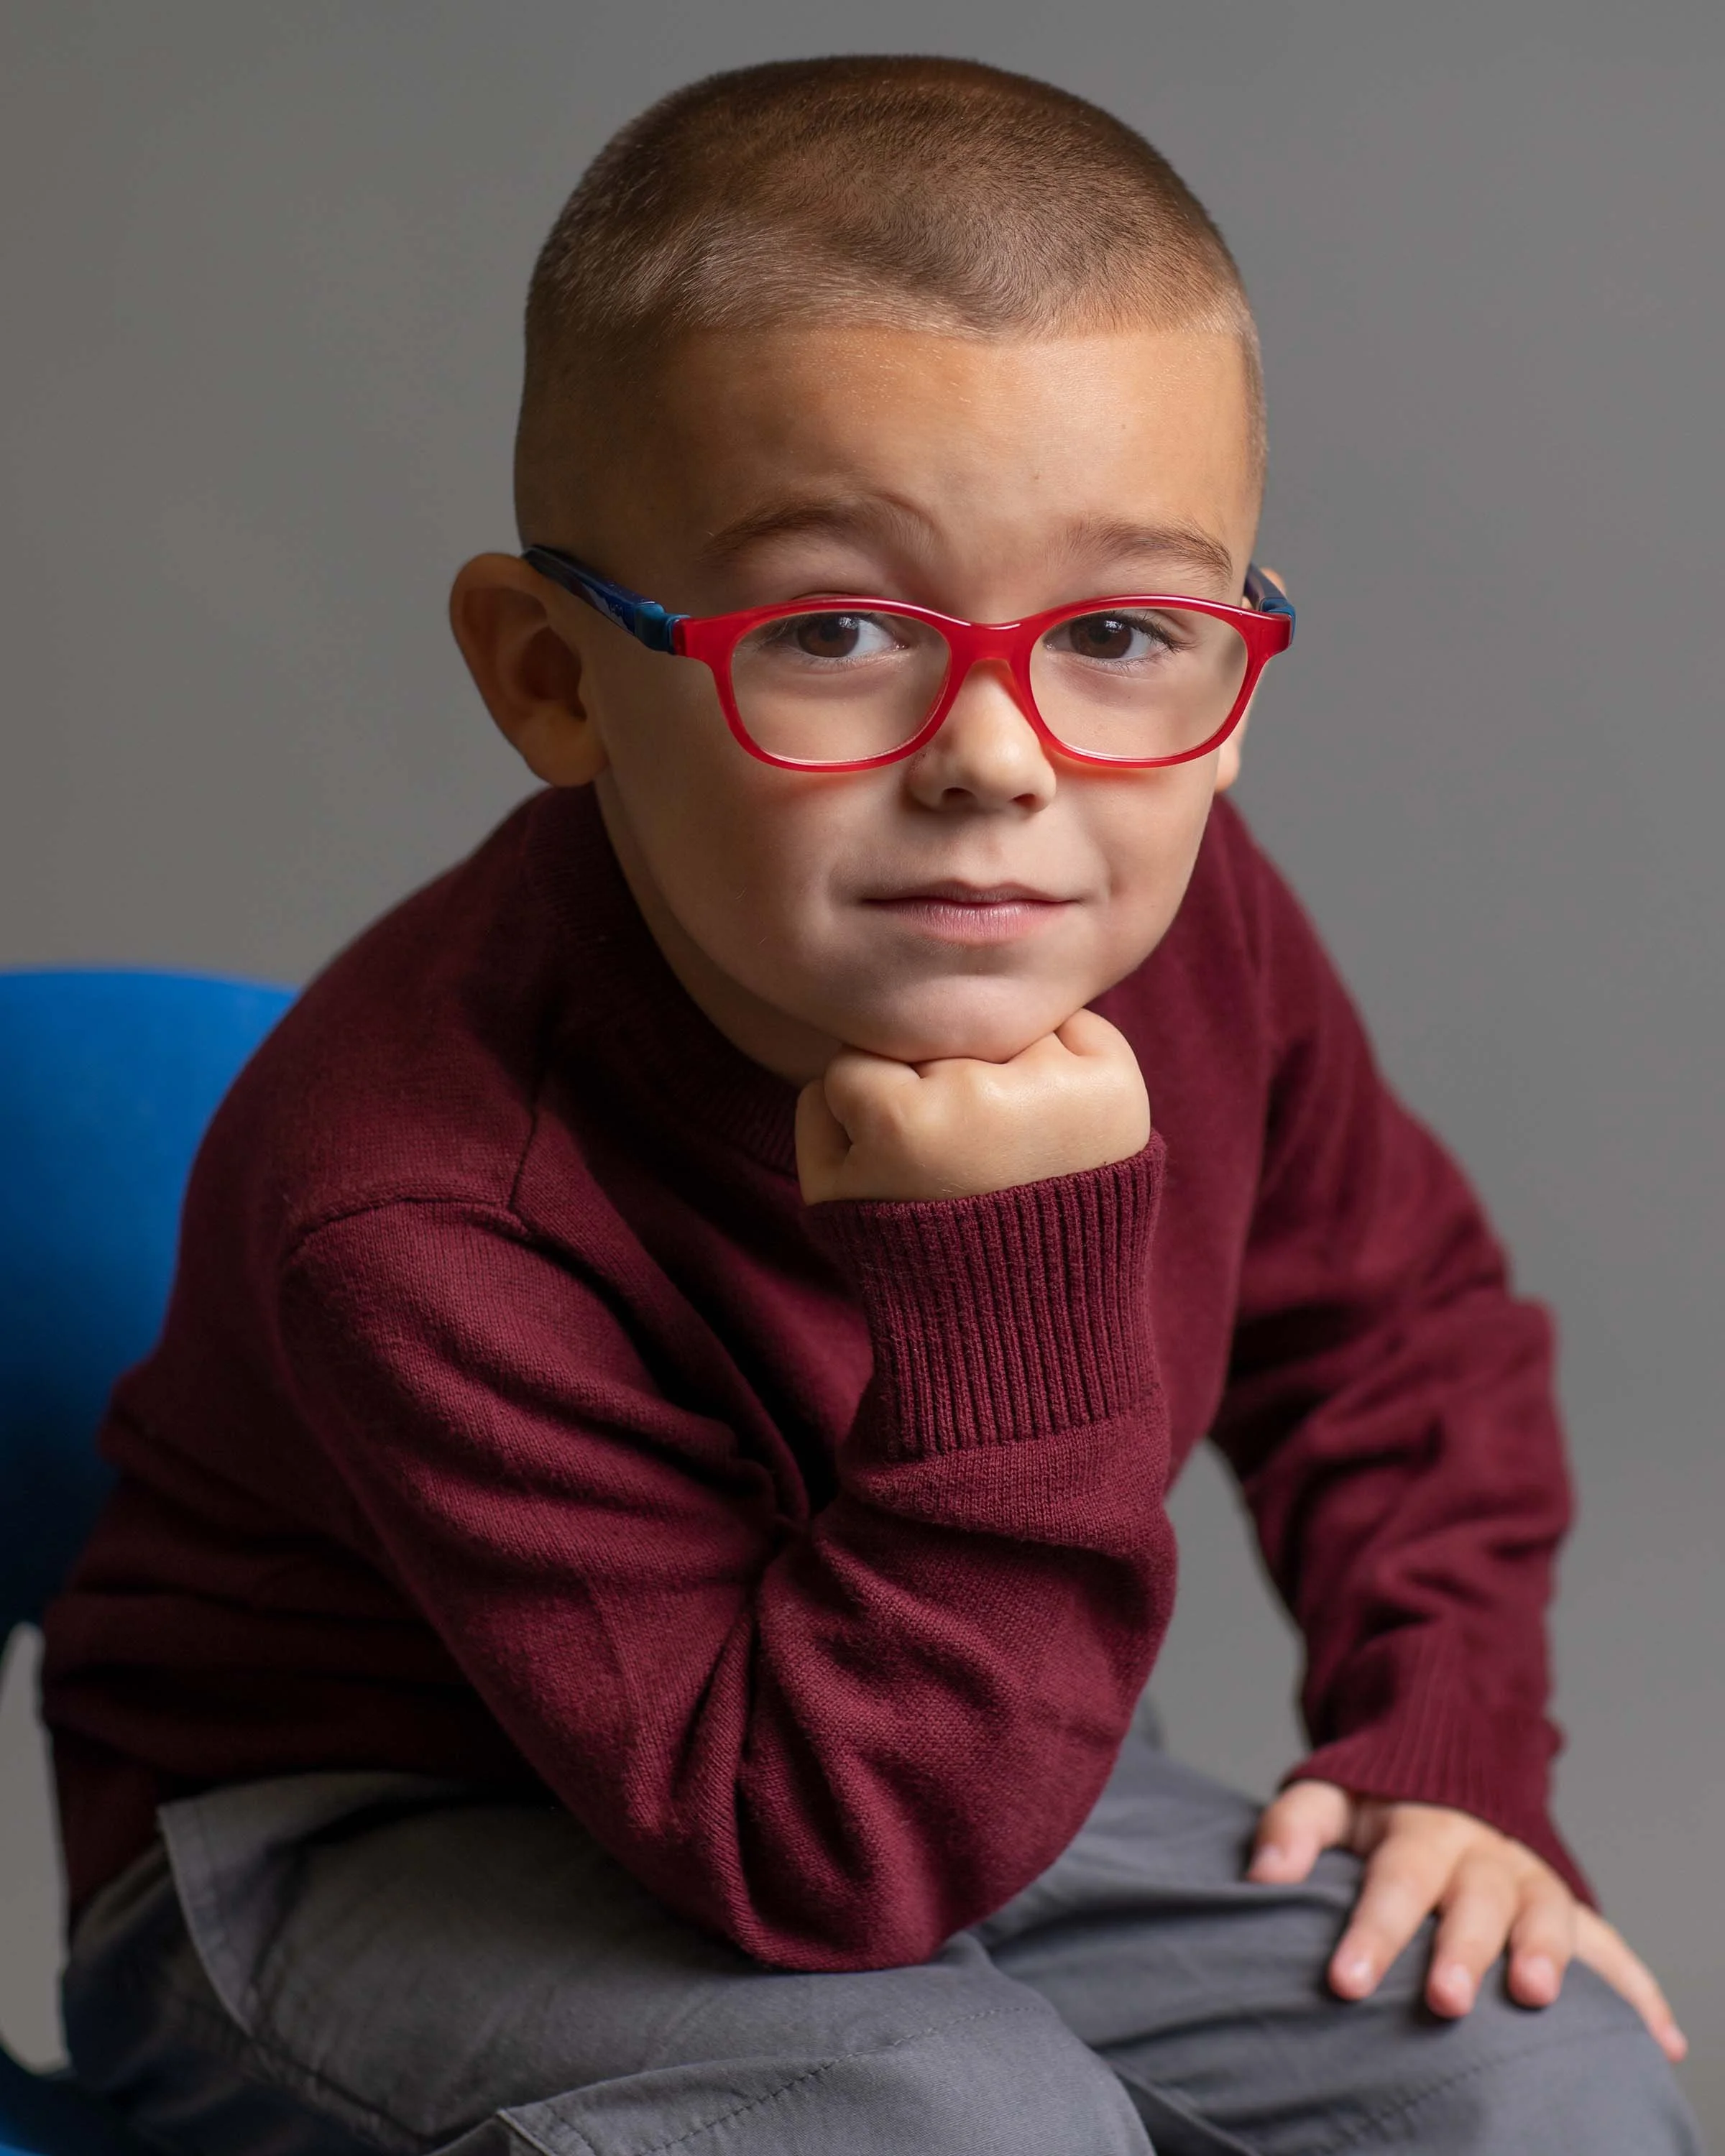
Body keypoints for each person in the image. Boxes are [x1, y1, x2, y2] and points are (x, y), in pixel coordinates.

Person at [41, 54, 1703, 2156]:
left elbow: (1403, 1337)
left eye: (1120, 632)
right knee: (942, 2124)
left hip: (928, 1735)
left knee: (1527, 2069)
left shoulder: (1177, 935)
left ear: (1235, 682)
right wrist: (1006, 1275)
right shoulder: (420, 1194)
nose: (1001, 759)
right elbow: (826, 1872)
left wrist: (1445, 1742)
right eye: (835, 626)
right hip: (370, 1833)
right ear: (555, 678)